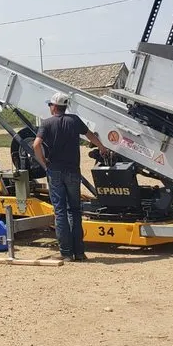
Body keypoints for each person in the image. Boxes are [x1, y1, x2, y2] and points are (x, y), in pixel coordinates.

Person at [33, 92, 104, 262]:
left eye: (50, 105)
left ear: (54, 107)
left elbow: (36, 144)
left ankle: (66, 253)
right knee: (75, 211)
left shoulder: (46, 123)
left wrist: (43, 163)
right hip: (73, 171)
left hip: (55, 171)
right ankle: (79, 252)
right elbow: (90, 135)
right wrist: (102, 147)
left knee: (60, 212)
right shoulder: (74, 120)